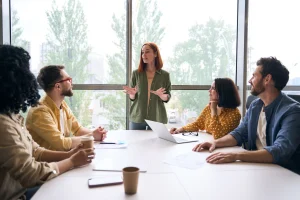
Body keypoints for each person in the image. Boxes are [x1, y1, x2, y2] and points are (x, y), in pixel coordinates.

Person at [0, 45, 95, 200]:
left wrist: (70, 155)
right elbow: (30, 173)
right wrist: (70, 161)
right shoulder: (4, 124)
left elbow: (36, 151)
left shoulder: (12, 115)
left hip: (26, 188)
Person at [193, 57, 300, 174]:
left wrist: (236, 155)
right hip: (257, 167)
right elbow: (238, 134)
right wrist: (215, 143)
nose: (250, 80)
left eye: (254, 76)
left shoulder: (292, 111)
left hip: (284, 174)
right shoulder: (255, 106)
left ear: (267, 79)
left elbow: (279, 151)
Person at [26, 65, 107, 151]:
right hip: (46, 163)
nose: (71, 83)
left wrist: (97, 133)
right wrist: (92, 136)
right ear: (58, 86)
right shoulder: (39, 112)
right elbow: (61, 143)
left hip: (61, 159)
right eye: (68, 80)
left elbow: (78, 130)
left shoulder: (63, 105)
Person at [170, 78, 241, 139]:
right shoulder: (208, 108)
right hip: (210, 142)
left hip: (226, 149)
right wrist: (180, 129)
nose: (209, 91)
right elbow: (198, 124)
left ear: (223, 92)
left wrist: (213, 110)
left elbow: (218, 135)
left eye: (213, 88)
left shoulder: (234, 114)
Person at [123, 42, 171, 130]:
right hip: (137, 117)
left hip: (157, 118)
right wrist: (132, 94)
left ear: (155, 54)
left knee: (157, 144)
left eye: (147, 52)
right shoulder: (136, 73)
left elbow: (167, 97)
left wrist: (161, 95)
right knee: (135, 143)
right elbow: (132, 98)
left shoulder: (165, 75)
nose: (144, 55)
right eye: (142, 52)